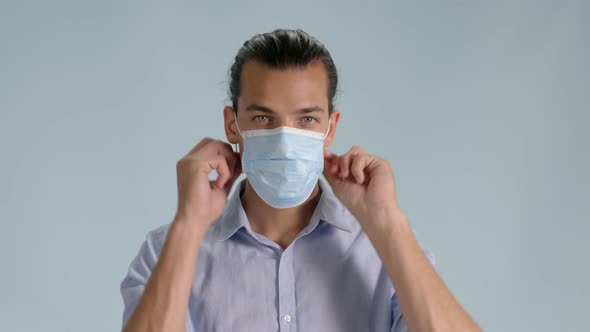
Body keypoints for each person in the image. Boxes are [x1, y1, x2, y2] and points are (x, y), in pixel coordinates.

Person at [120, 29, 481, 332]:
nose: (283, 137)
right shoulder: (165, 253)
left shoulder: (387, 252)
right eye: (263, 118)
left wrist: (387, 221)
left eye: (306, 120)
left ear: (330, 127)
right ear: (233, 124)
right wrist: (189, 225)